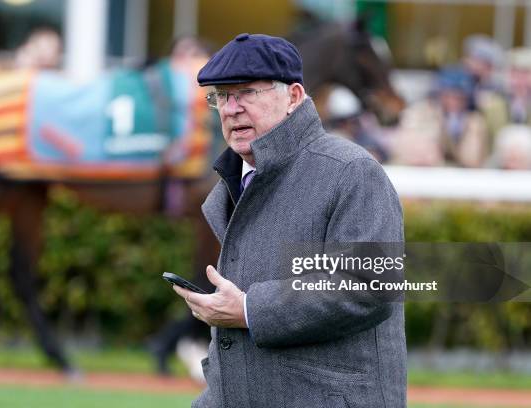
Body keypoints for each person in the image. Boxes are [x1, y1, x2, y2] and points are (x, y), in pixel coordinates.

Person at [171, 33, 406, 407]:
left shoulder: (352, 171)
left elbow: (370, 287)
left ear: (294, 97)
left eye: (247, 92)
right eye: (221, 96)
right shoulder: (235, 181)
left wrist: (248, 310)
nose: (231, 109)